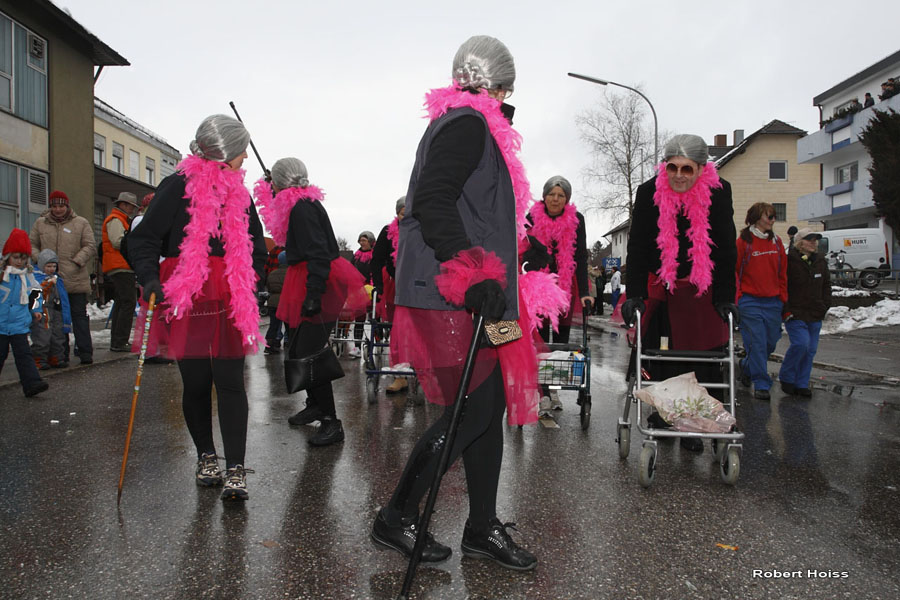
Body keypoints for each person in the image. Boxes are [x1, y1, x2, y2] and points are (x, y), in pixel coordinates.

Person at [371, 35, 539, 571]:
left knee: (491, 409)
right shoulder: (466, 123)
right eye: (507, 89)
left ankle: (481, 527)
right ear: (498, 86)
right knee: (473, 410)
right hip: (458, 294)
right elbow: (432, 200)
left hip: (490, 297)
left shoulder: (475, 126)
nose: (508, 97)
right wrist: (469, 274)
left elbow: (479, 212)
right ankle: (396, 516)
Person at [128, 114, 268, 501]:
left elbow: (256, 246)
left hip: (228, 298)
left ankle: (235, 467)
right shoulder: (177, 185)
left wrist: (250, 277)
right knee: (196, 383)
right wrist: (149, 278)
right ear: (224, 151)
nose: (245, 158)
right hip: (186, 295)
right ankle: (206, 456)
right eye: (241, 151)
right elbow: (143, 239)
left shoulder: (240, 194)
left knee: (230, 381)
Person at [620, 134, 738, 452]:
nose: (679, 176)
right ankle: (668, 417)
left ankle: (700, 422)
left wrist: (725, 297)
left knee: (706, 359)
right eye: (672, 168)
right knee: (665, 358)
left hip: (701, 290)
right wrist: (635, 294)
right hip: (663, 287)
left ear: (701, 168)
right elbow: (638, 246)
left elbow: (726, 248)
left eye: (687, 169)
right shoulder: (648, 192)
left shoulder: (719, 192)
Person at [254, 157, 368, 446]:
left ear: (282, 182)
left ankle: (331, 421)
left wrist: (314, 294)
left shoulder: (302, 207)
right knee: (298, 348)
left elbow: (318, 252)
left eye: (275, 183)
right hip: (306, 279)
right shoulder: (299, 203)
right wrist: (269, 189)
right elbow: (279, 225)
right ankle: (315, 405)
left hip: (317, 281)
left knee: (310, 353)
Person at [522, 175, 591, 413]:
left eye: (561, 195)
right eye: (551, 194)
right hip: (539, 287)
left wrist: (585, 292)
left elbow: (580, 257)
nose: (555, 199)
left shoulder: (577, 220)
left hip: (564, 286)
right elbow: (522, 251)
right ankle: (543, 394)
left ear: (567, 199)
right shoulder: (531, 218)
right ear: (544, 196)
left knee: (561, 341)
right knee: (541, 340)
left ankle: (555, 388)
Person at [30, 190, 96, 365]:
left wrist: (77, 261)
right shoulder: (40, 223)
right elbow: (32, 244)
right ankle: (60, 354)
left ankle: (85, 351)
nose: (58, 209)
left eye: (61, 206)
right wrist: (40, 260)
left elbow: (90, 246)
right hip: (50, 282)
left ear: (67, 206)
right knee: (55, 319)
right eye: (54, 206)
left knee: (79, 316)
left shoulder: (81, 223)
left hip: (75, 278)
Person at [735, 202, 788, 400]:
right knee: (756, 343)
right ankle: (761, 383)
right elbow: (735, 272)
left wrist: (783, 297)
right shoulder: (743, 242)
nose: (773, 220)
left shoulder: (777, 242)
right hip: (750, 302)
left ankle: (747, 366)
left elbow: (783, 272)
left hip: (773, 301)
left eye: (774, 216)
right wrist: (739, 297)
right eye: (769, 216)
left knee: (770, 343)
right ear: (756, 218)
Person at [779, 228, 831, 397]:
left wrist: (825, 305)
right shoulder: (789, 261)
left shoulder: (820, 261)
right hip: (796, 312)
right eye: (809, 240)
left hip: (815, 312)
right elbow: (783, 286)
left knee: (810, 350)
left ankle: (802, 383)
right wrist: (786, 310)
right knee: (801, 344)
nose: (813, 243)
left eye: (815, 240)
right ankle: (787, 377)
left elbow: (826, 285)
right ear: (800, 242)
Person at [0, 229, 49, 397]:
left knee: (24, 355)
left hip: (19, 324)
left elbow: (36, 294)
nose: (19, 262)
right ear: (8, 257)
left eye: (23, 258)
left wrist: (36, 309)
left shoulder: (28, 277)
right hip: (1, 325)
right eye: (15, 257)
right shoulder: (2, 277)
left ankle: (32, 383)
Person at [371, 196, 409, 394]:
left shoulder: (422, 229)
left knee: (420, 331)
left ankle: (424, 372)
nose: (407, 217)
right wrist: (378, 285)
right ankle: (400, 375)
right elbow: (376, 260)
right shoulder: (387, 232)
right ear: (397, 214)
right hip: (397, 286)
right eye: (403, 213)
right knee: (398, 330)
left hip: (420, 286)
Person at [102, 192, 140, 352]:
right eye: (131, 206)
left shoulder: (119, 219)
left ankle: (117, 340)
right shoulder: (116, 219)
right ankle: (120, 340)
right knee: (128, 302)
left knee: (121, 302)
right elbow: (118, 242)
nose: (132, 210)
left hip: (118, 265)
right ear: (123, 205)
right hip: (120, 265)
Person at [31, 249, 72, 369]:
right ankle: (39, 359)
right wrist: (47, 285)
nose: (51, 269)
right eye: (48, 266)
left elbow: (63, 297)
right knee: (42, 336)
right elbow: (36, 294)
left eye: (54, 266)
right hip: (43, 310)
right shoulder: (36, 278)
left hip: (56, 310)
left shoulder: (58, 279)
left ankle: (56, 357)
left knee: (57, 335)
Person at [347, 230, 376, 358]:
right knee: (359, 319)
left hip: (371, 290)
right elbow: (350, 270)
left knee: (375, 317)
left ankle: (378, 340)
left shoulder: (375, 256)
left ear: (371, 242)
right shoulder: (356, 256)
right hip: (357, 290)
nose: (361, 243)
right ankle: (357, 347)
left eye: (364, 240)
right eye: (360, 240)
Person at [263, 247, 287, 354]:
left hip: (272, 302)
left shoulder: (272, 274)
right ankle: (288, 343)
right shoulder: (290, 273)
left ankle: (269, 345)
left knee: (273, 325)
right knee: (289, 325)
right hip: (285, 302)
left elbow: (268, 286)